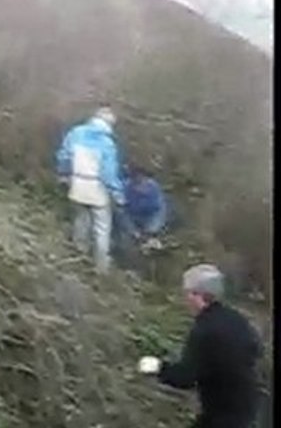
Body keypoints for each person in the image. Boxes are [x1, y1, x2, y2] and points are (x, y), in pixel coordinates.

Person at [138, 263, 263, 428]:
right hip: (247, 408)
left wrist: (158, 367)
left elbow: (185, 377)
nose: (185, 299)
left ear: (198, 294)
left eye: (187, 293)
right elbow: (257, 350)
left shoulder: (205, 329)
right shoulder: (236, 319)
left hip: (222, 415)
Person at [55, 106, 125, 273]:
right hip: (97, 189)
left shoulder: (75, 133)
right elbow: (108, 173)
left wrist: (64, 174)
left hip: (77, 185)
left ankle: (79, 255)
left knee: (80, 220)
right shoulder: (107, 143)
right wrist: (117, 194)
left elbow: (64, 156)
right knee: (102, 228)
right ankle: (101, 267)